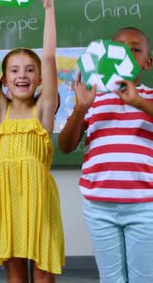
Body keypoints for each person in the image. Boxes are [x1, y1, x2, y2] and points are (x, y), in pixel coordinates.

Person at [0, 0, 64, 282]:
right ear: (4, 80)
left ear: (40, 79)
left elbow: (50, 58)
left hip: (40, 204)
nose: (22, 75)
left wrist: (49, 9)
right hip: (10, 204)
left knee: (42, 276)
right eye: (14, 70)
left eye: (30, 69)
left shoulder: (42, 111)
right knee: (15, 276)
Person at [58, 27, 153, 282]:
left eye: (135, 49)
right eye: (120, 48)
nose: (128, 54)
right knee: (111, 278)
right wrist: (80, 109)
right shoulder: (94, 99)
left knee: (143, 277)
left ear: (147, 62)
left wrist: (138, 103)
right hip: (99, 205)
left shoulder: (150, 99)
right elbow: (66, 146)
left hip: (145, 206)